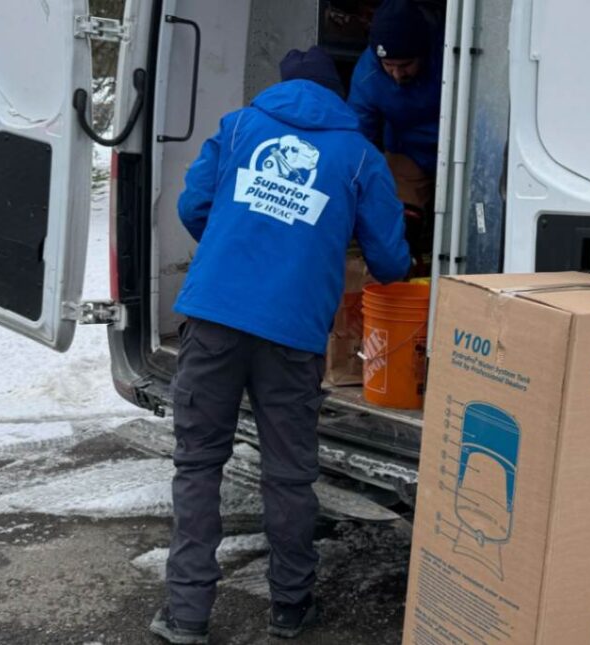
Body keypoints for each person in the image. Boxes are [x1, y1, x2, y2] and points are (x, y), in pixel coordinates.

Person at [148, 47, 411, 644]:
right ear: (337, 93)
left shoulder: (240, 126)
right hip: (292, 336)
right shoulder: (359, 156)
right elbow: (392, 261)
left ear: (282, 86)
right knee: (288, 476)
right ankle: (291, 608)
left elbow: (194, 207)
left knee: (197, 467)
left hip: (213, 321)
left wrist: (242, 238)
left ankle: (186, 616)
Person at [348, 0, 443, 264]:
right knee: (402, 224)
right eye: (389, 64)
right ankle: (405, 273)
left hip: (460, 149)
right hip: (407, 150)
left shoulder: (450, 56)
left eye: (406, 64)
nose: (397, 74)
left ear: (423, 53)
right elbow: (358, 136)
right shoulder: (368, 74)